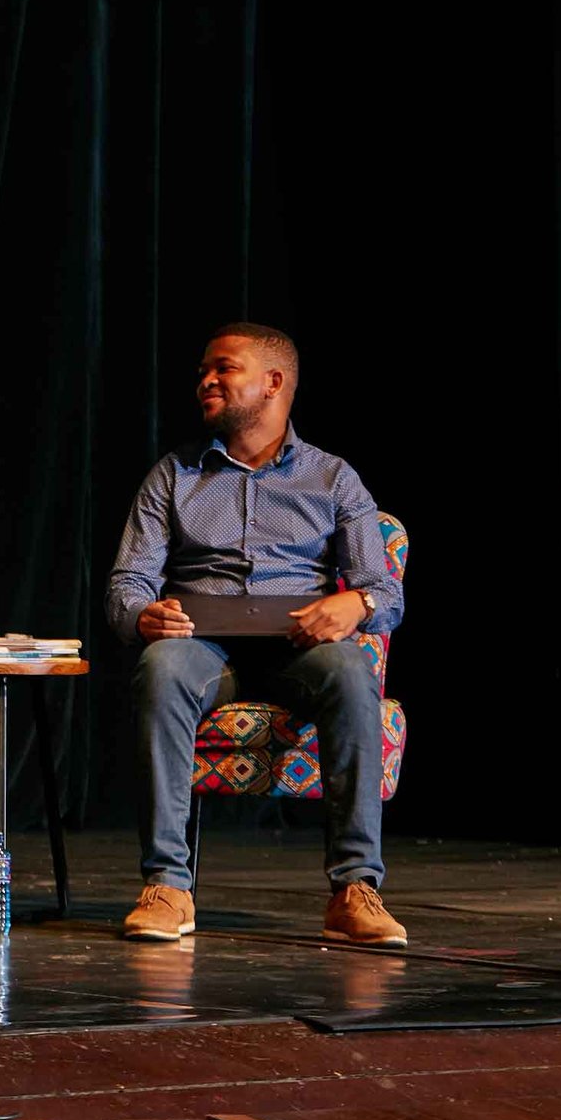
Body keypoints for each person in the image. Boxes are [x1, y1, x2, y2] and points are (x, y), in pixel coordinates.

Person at [108, 322, 407, 947]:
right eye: (202, 372)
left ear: (273, 383)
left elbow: (385, 592)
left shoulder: (331, 479)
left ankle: (355, 889)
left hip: (299, 649)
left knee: (352, 669)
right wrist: (143, 615)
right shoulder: (174, 476)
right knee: (160, 667)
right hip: (203, 648)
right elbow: (127, 584)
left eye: (223, 368)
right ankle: (168, 885)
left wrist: (353, 602)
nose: (205, 381)